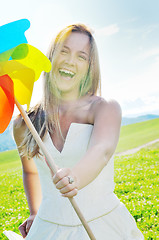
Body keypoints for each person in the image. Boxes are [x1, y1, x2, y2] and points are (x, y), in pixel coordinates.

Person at [4, 24, 144, 240]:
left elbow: (102, 149)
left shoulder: (104, 107)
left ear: (90, 67)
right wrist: (34, 212)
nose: (70, 61)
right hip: (47, 227)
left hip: (102, 223)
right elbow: (30, 171)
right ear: (50, 56)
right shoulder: (25, 123)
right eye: (64, 51)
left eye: (81, 56)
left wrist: (75, 176)